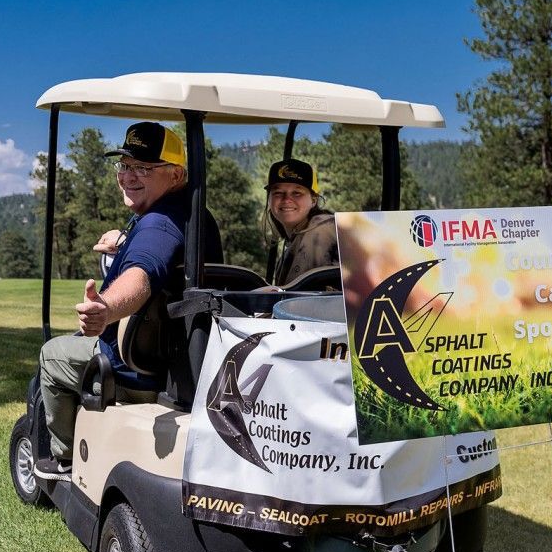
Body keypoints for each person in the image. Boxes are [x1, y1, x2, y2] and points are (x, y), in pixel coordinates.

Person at [35, 121, 222, 480]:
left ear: (176, 173)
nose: (129, 176)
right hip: (177, 360)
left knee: (51, 355)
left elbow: (143, 271)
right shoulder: (193, 213)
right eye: (125, 166)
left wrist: (105, 310)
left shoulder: (158, 224)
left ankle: (64, 459)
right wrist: (122, 244)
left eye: (144, 168)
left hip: (133, 369)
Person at [264, 158, 337, 285]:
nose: (287, 199)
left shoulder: (322, 226)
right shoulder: (287, 252)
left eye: (297, 193)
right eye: (278, 193)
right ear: (269, 200)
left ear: (314, 200)